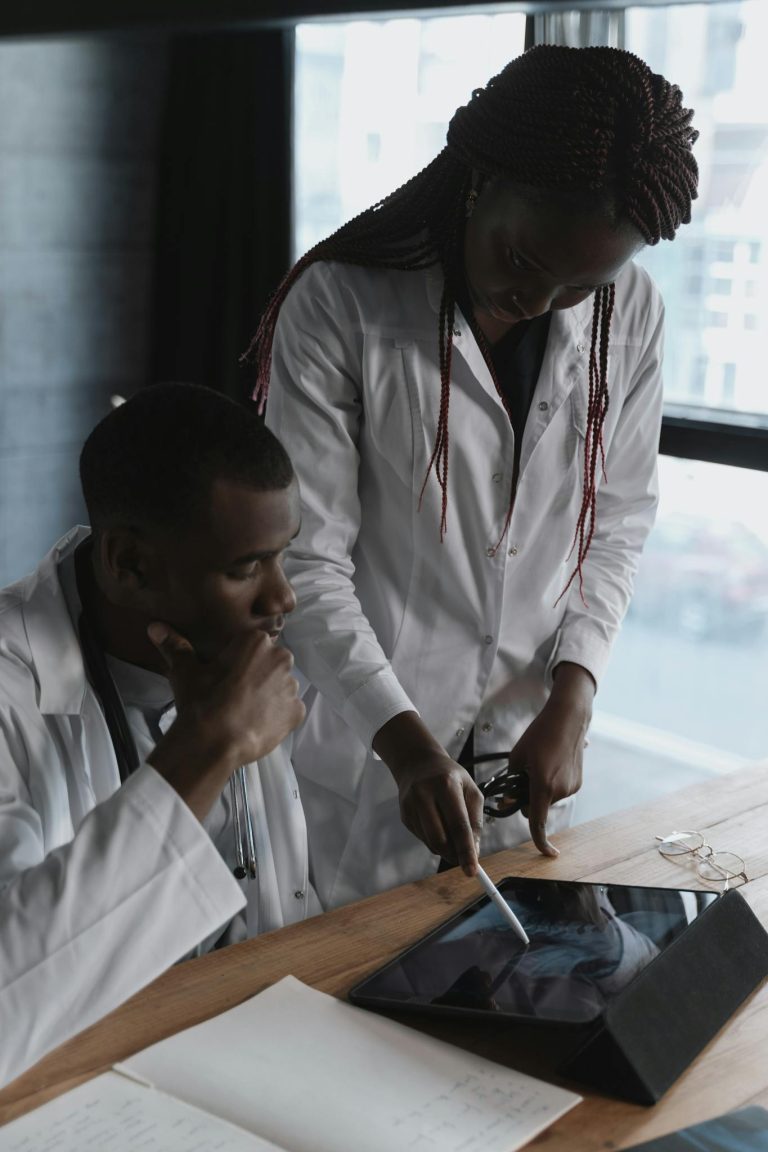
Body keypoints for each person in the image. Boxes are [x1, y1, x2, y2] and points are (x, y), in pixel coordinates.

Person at [246, 44, 699, 911]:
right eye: (525, 261)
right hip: (365, 763)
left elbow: (617, 525)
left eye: (581, 285)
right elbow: (307, 563)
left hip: (520, 759)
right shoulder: (343, 301)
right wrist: (405, 743)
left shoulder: (629, 311)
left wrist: (574, 698)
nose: (541, 301)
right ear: (479, 179)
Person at [0, 383, 314, 1088]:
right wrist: (207, 747)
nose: (283, 597)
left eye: (283, 556)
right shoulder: (8, 688)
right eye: (246, 569)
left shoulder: (231, 651)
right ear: (130, 565)